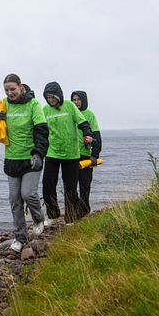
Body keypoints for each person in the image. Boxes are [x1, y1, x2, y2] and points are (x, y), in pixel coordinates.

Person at [0, 74, 48, 253]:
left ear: (21, 87)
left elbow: (42, 130)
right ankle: (20, 237)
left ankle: (38, 218)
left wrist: (39, 153)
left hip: (31, 158)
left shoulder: (33, 105)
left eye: (12, 89)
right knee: (14, 200)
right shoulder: (4, 104)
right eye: (6, 90)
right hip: (12, 159)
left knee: (28, 194)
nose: (9, 93)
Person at [41, 82, 93, 225]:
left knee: (70, 188)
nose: (50, 99)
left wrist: (87, 133)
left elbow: (83, 123)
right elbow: (41, 128)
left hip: (71, 154)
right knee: (47, 185)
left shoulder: (70, 106)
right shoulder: (45, 110)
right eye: (47, 97)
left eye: (52, 97)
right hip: (52, 153)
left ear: (59, 95)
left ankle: (70, 217)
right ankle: (52, 215)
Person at [71, 90, 102, 217]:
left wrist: (95, 155)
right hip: (71, 154)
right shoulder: (70, 113)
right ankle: (78, 206)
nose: (76, 102)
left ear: (83, 100)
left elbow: (96, 135)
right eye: (74, 99)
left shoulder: (89, 115)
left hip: (86, 155)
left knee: (85, 185)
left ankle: (84, 209)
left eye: (78, 99)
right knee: (71, 185)